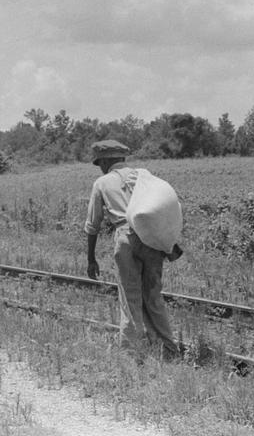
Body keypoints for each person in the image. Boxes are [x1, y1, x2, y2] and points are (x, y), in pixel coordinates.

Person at [84, 139, 180, 357]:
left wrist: (91, 258)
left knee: (130, 297)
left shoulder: (102, 183)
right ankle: (169, 349)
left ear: (107, 160)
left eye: (100, 162)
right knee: (153, 295)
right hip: (151, 237)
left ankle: (133, 352)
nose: (100, 166)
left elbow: (92, 226)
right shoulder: (143, 177)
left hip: (125, 237)